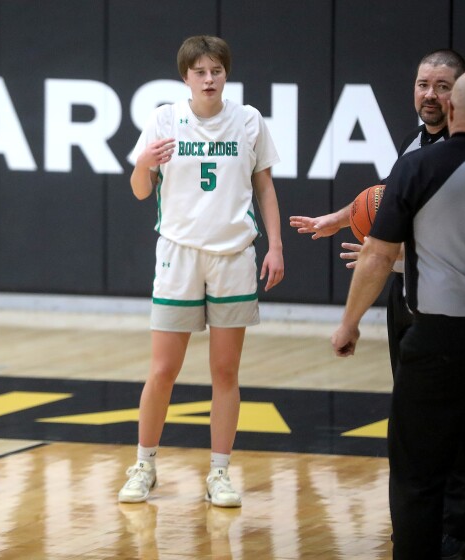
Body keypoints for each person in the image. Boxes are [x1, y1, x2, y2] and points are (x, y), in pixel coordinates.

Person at [290, 49, 465, 560]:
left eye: (442, 86)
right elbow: (387, 201)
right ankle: (425, 532)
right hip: (408, 295)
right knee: (418, 425)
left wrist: (382, 254)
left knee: (454, 426)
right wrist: (343, 218)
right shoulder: (413, 142)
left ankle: (454, 535)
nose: (430, 95)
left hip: (455, 305)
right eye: (423, 84)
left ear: (462, 92)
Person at [331, 68, 465, 559]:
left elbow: (378, 255)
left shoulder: (418, 167)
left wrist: (349, 324)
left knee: (416, 477)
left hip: (440, 344)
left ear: (451, 110)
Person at [118, 35, 284, 507]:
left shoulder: (248, 121)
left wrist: (276, 246)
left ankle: (220, 473)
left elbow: (265, 189)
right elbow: (139, 191)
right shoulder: (164, 119)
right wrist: (144, 164)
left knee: (225, 371)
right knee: (163, 369)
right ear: (185, 77)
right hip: (179, 255)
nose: (209, 79)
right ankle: (144, 464)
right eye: (199, 72)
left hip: (234, 255)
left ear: (226, 74)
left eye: (216, 71)